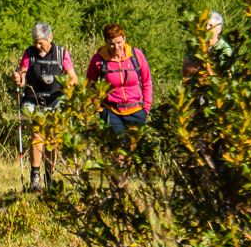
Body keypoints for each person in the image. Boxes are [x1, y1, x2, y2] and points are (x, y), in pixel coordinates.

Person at [15, 23, 75, 190]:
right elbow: (23, 75)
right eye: (35, 41)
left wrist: (70, 84)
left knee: (51, 140)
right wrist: (19, 79)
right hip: (33, 100)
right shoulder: (29, 53)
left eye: (41, 42)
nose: (37, 45)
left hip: (55, 101)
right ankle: (35, 178)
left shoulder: (61, 53)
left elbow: (72, 76)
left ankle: (49, 177)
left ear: (50, 38)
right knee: (37, 136)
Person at [84, 23, 151, 134]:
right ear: (106, 42)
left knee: (134, 148)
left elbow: (146, 81)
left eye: (119, 42)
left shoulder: (136, 55)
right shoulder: (99, 59)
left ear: (124, 39)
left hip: (137, 111)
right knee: (118, 149)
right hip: (111, 112)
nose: (116, 47)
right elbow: (90, 85)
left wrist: (146, 108)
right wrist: (98, 107)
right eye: (111, 44)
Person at [182, 10, 233, 80]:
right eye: (205, 24)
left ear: (219, 30)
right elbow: (185, 69)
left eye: (211, 25)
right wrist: (199, 68)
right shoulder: (195, 44)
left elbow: (228, 76)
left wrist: (207, 69)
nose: (207, 28)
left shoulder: (225, 48)